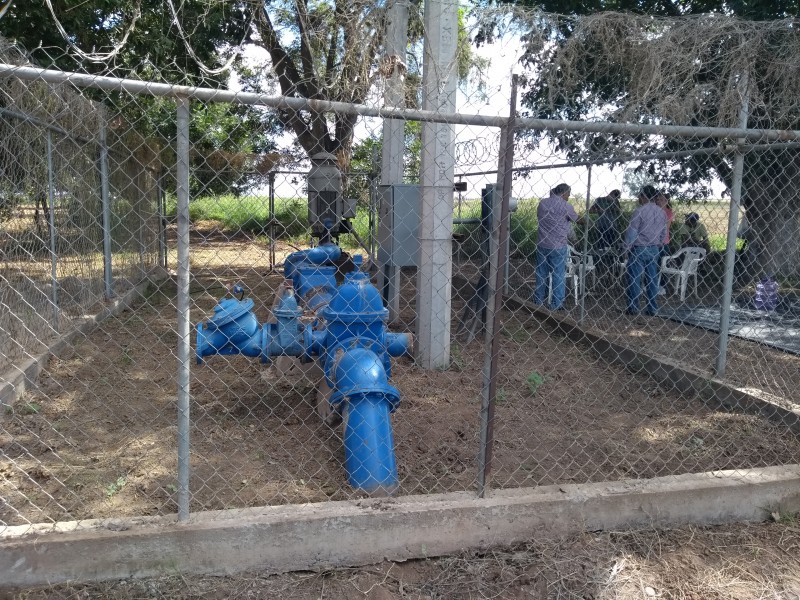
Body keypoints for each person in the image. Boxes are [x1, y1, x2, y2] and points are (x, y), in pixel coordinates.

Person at [533, 183, 580, 310]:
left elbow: (539, 216)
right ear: (564, 193)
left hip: (542, 243)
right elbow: (577, 219)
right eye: (568, 194)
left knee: (541, 273)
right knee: (558, 274)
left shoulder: (543, 203)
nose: (569, 197)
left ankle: (538, 300)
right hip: (558, 245)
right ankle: (556, 304)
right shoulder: (566, 206)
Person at [624, 185, 668, 316]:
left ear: (643, 196)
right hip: (654, 248)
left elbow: (632, 232)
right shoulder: (662, 212)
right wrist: (658, 243)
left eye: (640, 195)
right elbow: (664, 232)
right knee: (652, 279)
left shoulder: (639, 211)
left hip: (639, 248)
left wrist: (626, 248)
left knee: (634, 278)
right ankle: (652, 307)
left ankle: (633, 307)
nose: (638, 198)